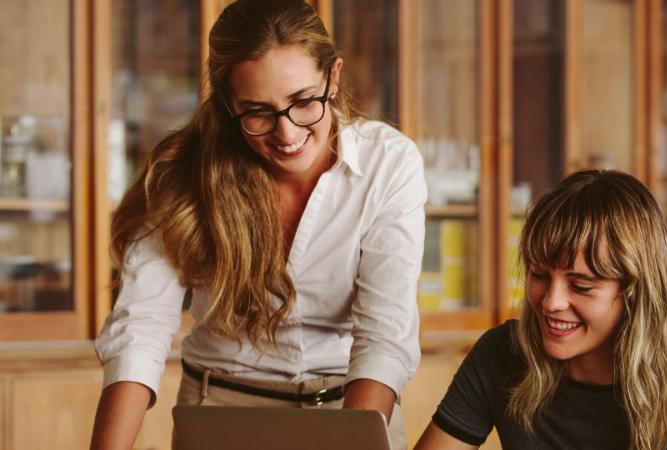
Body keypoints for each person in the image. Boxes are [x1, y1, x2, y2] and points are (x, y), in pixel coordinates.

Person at [90, 1, 425, 449]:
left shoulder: (389, 163)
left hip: (353, 410)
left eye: (303, 102)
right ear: (229, 102)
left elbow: (384, 334)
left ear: (335, 76)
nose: (286, 135)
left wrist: (352, 441)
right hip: (221, 413)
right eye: (258, 112)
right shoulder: (182, 171)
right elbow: (142, 328)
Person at [414, 170, 667, 450]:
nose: (551, 302)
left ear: (636, 292)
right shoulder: (502, 353)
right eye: (539, 275)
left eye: (581, 285)